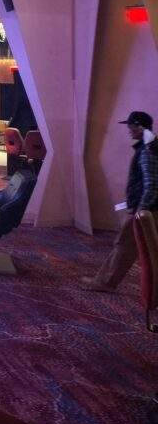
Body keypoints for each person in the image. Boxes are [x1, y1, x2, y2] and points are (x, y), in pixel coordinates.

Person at [81, 111, 158, 292]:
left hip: (145, 209)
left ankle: (105, 282)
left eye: (131, 126)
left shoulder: (147, 149)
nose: (129, 130)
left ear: (139, 126)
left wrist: (141, 210)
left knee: (124, 246)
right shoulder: (150, 145)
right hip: (149, 208)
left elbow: (151, 183)